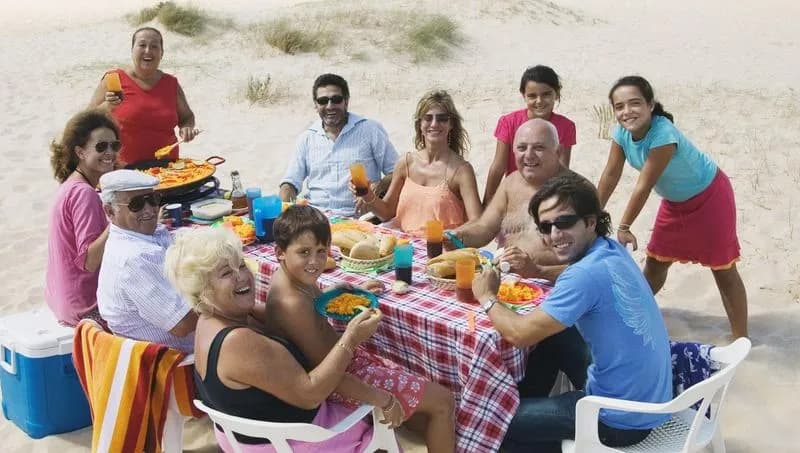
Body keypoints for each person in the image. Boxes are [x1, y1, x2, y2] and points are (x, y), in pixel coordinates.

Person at [472, 174, 672, 452]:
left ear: (591, 221)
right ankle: (529, 401)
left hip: (618, 420)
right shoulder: (610, 250)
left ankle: (529, 422)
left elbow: (520, 334)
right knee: (556, 337)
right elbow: (576, 276)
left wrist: (487, 297)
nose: (554, 235)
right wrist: (538, 271)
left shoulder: (584, 276)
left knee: (493, 420)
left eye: (564, 222)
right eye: (545, 226)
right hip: (650, 399)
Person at [165, 227, 388, 451]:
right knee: (384, 408)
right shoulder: (238, 342)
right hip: (296, 442)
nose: (241, 276)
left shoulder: (211, 318)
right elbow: (311, 394)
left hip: (248, 439)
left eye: (241, 265)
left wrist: (336, 295)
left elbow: (285, 314)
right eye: (226, 273)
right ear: (202, 290)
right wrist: (350, 339)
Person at [265, 205, 456, 452]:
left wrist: (340, 293)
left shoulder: (292, 281)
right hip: (342, 381)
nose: (315, 262)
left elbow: (312, 309)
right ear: (279, 252)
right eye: (304, 252)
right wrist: (381, 399)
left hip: (347, 365)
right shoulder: (291, 304)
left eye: (321, 251)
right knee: (444, 401)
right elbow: (328, 378)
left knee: (426, 407)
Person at [597, 75, 748, 338]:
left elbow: (644, 184)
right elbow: (610, 174)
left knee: (723, 269)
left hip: (710, 196)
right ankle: (631, 316)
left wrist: (623, 226)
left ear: (650, 105)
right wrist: (592, 215)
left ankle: (741, 338)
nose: (627, 111)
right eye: (619, 107)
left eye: (635, 103)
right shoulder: (621, 134)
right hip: (675, 203)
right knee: (656, 263)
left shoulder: (663, 133)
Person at [449, 118, 579, 282]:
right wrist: (457, 237)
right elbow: (485, 228)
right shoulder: (511, 182)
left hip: (554, 288)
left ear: (558, 152)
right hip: (508, 284)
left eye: (539, 148)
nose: (529, 155)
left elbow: (591, 267)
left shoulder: (576, 193)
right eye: (522, 148)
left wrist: (538, 271)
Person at [352, 90, 482, 235]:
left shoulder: (461, 171)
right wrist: (368, 195)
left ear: (451, 124)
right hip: (405, 246)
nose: (434, 124)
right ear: (420, 124)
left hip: (443, 250)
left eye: (442, 119)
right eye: (428, 118)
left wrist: (450, 236)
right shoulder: (406, 163)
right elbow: (387, 212)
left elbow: (477, 222)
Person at [96, 169, 196, 352]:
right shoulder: (134, 258)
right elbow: (184, 324)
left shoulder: (143, 234)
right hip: (176, 361)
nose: (149, 210)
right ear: (110, 211)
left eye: (153, 200)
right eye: (136, 204)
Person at [279, 73, 398, 217]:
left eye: (336, 99)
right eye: (323, 101)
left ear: (346, 101)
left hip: (361, 218)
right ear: (316, 105)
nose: (330, 106)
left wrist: (376, 189)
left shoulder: (370, 130)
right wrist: (284, 207)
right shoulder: (307, 138)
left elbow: (396, 172)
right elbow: (290, 183)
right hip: (316, 218)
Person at [45, 109, 119, 326]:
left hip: (60, 300)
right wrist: (117, 221)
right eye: (100, 146)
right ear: (80, 152)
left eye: (114, 145)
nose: (110, 152)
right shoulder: (84, 193)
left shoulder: (71, 184)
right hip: (84, 308)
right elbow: (89, 261)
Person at [89, 27, 199, 166]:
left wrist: (186, 128)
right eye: (142, 45)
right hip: (123, 170)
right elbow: (87, 119)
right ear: (132, 50)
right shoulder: (114, 79)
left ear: (161, 53)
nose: (148, 50)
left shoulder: (171, 83)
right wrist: (107, 106)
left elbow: (187, 117)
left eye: (154, 46)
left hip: (168, 170)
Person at [483, 65, 576, 207]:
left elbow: (561, 169)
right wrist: (487, 202)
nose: (539, 101)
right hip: (513, 194)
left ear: (556, 93)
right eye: (532, 96)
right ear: (523, 95)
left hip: (546, 197)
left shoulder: (566, 126)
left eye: (546, 94)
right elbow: (498, 166)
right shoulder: (509, 122)